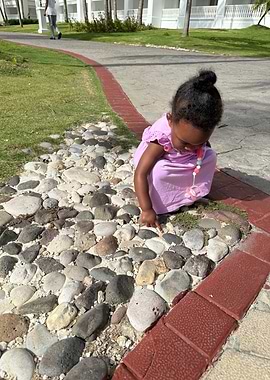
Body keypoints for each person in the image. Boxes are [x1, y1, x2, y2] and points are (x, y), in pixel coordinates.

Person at [133, 70, 223, 229]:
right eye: (184, 142)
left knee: (210, 156)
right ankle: (166, 200)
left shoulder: (197, 129)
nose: (191, 148)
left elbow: (200, 149)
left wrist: (202, 151)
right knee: (160, 172)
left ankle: (188, 193)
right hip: (163, 160)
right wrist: (146, 208)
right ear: (171, 120)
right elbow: (141, 173)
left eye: (199, 142)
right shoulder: (161, 138)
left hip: (181, 162)